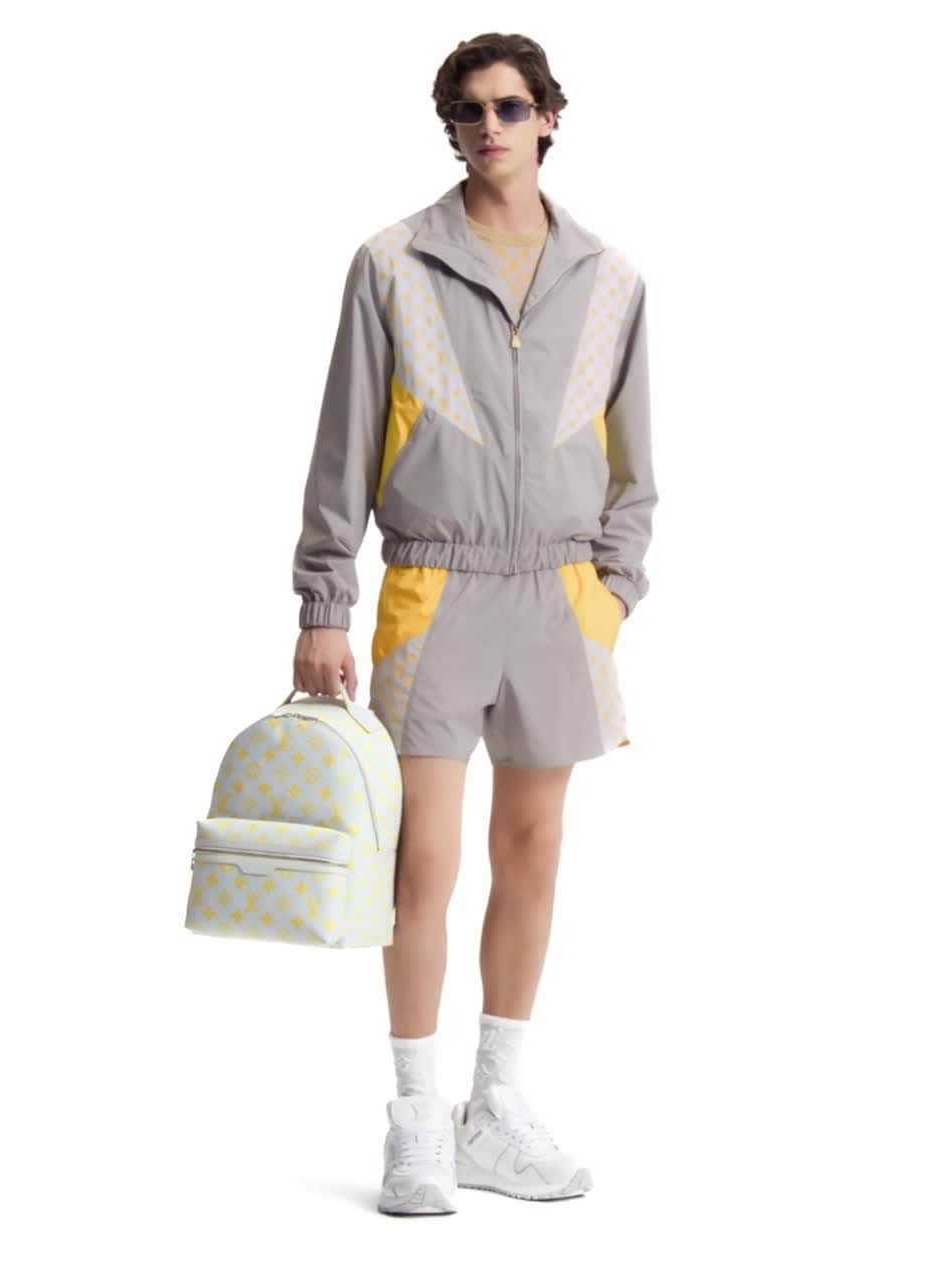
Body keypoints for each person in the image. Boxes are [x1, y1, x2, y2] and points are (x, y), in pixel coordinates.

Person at [290, 32, 657, 1215]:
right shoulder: (392, 263)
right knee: (423, 858)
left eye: (506, 106)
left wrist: (611, 589)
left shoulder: (610, 279)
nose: (486, 126)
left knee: (533, 848)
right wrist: (324, 601)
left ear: (549, 116)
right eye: (465, 110)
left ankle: (494, 1109)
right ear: (448, 127)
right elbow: (343, 444)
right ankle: (415, 1119)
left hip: (559, 595)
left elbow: (633, 463)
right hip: (433, 589)